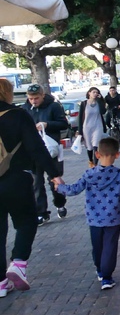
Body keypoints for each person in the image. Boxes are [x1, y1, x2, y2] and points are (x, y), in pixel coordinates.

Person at [54, 137, 120, 290]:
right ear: (117, 154)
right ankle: (107, 277)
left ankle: (100, 270)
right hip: (114, 218)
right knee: (110, 247)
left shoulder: (89, 174)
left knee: (97, 246)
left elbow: (73, 190)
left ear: (97, 154)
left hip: (94, 218)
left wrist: (59, 187)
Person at [0, 79, 65, 298]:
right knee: (27, 220)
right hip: (17, 178)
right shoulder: (18, 115)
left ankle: (1, 283)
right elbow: (36, 148)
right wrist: (54, 174)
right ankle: (18, 263)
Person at [22, 83, 69, 223]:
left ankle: (60, 203)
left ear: (42, 95)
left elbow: (63, 124)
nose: (33, 101)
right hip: (34, 151)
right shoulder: (25, 109)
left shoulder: (53, 106)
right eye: (31, 98)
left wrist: (47, 125)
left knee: (54, 179)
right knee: (36, 183)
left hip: (51, 150)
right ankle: (42, 212)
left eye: (36, 98)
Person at [78, 87, 107, 166]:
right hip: (87, 127)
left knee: (95, 145)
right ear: (89, 93)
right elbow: (80, 117)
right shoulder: (84, 104)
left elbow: (103, 112)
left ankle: (95, 164)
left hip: (97, 126)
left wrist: (100, 101)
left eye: (97, 92)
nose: (95, 94)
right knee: (89, 147)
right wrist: (79, 130)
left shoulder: (99, 103)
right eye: (93, 92)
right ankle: (90, 160)